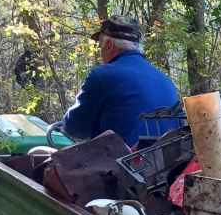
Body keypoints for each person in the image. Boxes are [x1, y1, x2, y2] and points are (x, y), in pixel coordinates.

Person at [61, 15, 180, 147]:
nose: (100, 51)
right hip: (167, 164)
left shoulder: (103, 76)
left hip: (122, 165)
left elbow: (75, 128)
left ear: (109, 45)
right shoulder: (165, 80)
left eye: (100, 45)